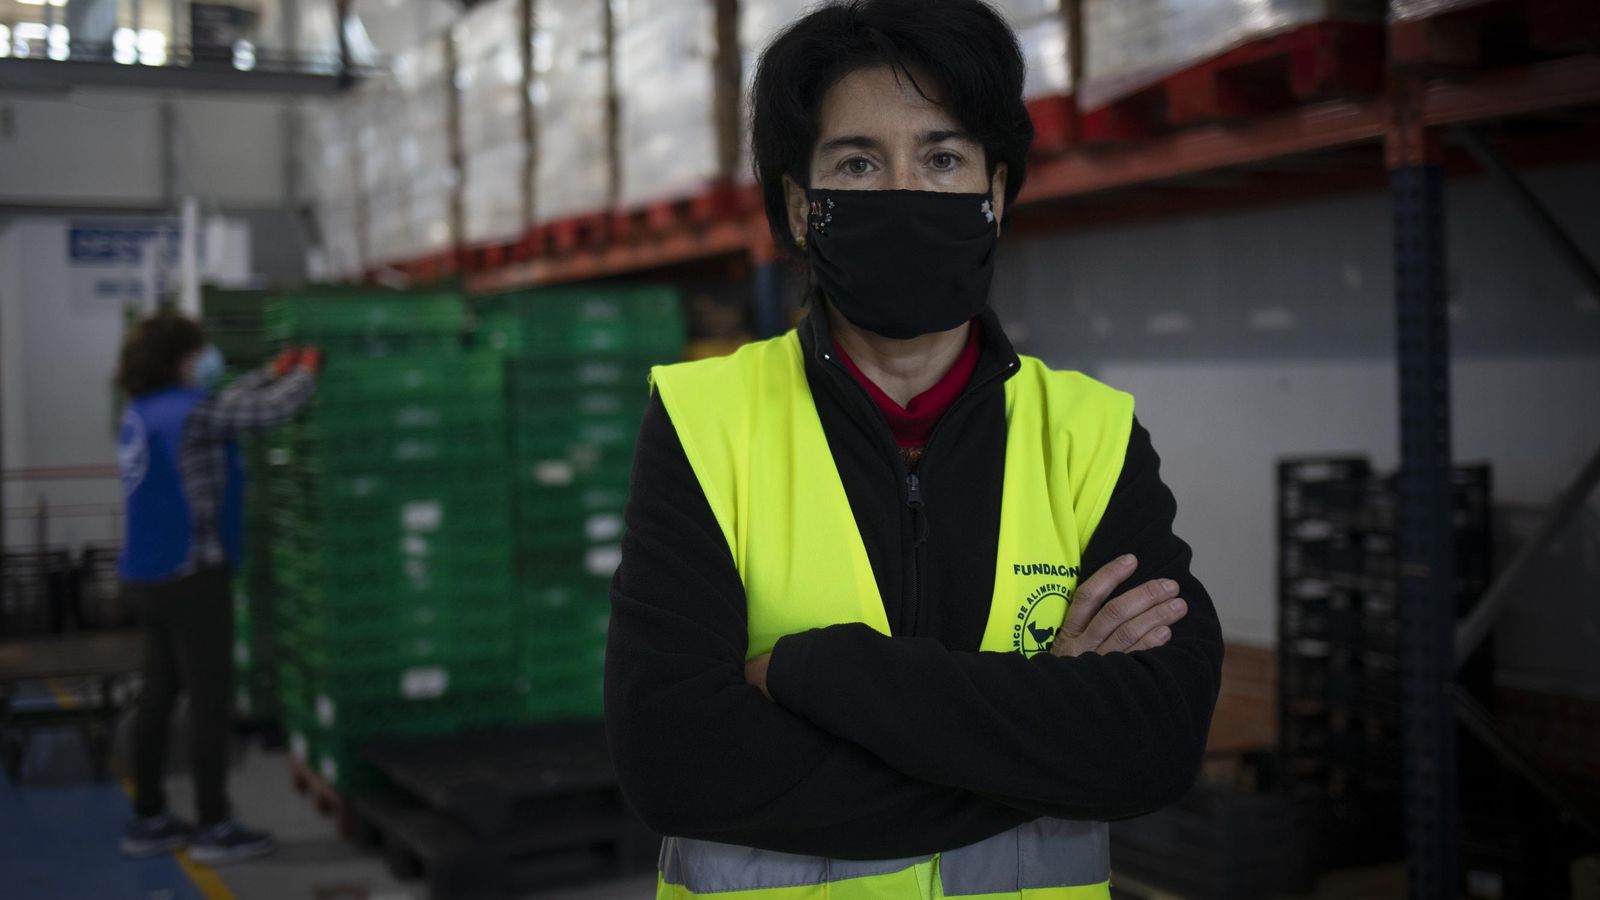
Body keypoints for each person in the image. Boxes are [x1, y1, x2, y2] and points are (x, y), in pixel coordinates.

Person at [604, 1, 1225, 897]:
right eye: (858, 162)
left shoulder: (1089, 434)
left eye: (942, 158)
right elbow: (676, 760)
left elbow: (1156, 740)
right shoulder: (706, 422)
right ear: (800, 207)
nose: (905, 190)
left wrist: (817, 670)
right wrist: (1042, 728)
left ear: (996, 192)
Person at [114, 312, 319, 865]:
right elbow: (271, 411)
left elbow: (230, 402)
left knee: (157, 697)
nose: (206, 358)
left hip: (145, 575)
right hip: (191, 576)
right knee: (209, 702)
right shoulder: (195, 411)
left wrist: (268, 370)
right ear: (179, 358)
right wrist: (306, 371)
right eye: (197, 350)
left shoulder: (143, 412)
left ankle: (148, 818)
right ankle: (214, 826)